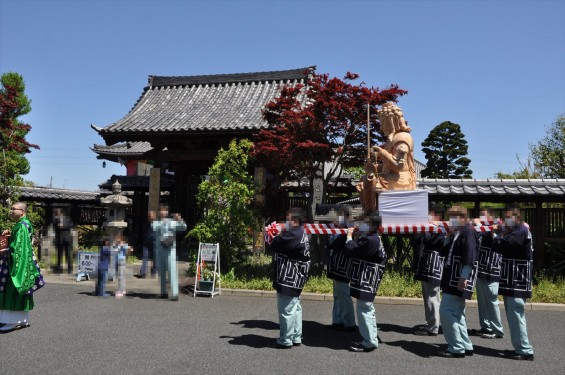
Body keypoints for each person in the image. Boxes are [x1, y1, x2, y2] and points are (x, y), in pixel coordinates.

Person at [492, 207, 535, 361]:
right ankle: (519, 347)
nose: (506, 221)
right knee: (512, 315)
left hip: (517, 280)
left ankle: (525, 350)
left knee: (516, 314)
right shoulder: (518, 230)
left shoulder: (521, 231)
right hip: (512, 280)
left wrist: (496, 235)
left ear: (517, 218)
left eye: (509, 218)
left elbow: (502, 245)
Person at [438, 206, 479, 358]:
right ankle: (465, 344)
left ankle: (456, 346)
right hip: (453, 278)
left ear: (461, 217)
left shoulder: (468, 232)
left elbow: (470, 256)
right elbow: (443, 252)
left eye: (452, 217)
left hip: (458, 279)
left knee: (446, 311)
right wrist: (448, 237)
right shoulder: (458, 233)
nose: (450, 221)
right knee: (458, 313)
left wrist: (464, 277)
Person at [344, 215, 387, 353]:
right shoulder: (374, 237)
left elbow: (352, 250)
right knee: (368, 309)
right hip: (369, 279)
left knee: (364, 310)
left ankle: (368, 342)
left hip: (367, 279)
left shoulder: (370, 239)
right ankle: (371, 338)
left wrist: (349, 237)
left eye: (365, 223)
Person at [269, 207, 310, 349]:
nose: (286, 221)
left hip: (289, 276)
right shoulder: (300, 231)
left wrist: (275, 234)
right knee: (295, 307)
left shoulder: (293, 234)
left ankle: (285, 339)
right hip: (296, 276)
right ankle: (295, 336)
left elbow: (275, 244)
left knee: (286, 308)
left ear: (296, 220)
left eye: (289, 219)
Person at [0, 202, 44, 332]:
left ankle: (11, 321)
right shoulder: (25, 224)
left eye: (14, 209)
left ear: (22, 212)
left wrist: (5, 251)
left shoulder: (21, 227)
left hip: (17, 264)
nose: (11, 211)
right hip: (24, 263)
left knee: (12, 288)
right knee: (21, 290)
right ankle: (23, 320)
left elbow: (17, 249)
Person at [469, 208, 504, 339]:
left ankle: (497, 329)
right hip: (481, 269)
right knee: (482, 300)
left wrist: (479, 224)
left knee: (491, 300)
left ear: (491, 216)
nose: (482, 218)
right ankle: (486, 326)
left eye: (484, 216)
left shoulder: (498, 226)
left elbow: (496, 234)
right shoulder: (481, 229)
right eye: (481, 216)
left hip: (492, 269)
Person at [412, 208, 446, 336]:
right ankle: (430, 324)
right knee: (428, 297)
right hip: (428, 265)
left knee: (432, 297)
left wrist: (425, 227)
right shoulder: (433, 227)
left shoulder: (440, 229)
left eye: (430, 214)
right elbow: (416, 239)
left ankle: (432, 327)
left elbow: (426, 239)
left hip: (433, 266)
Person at [372, 102, 416, 191]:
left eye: (383, 123)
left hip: (400, 179)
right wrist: (377, 167)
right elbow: (389, 164)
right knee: (366, 179)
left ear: (391, 122)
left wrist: (382, 152)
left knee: (369, 182)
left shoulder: (402, 137)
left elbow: (398, 166)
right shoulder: (391, 139)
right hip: (391, 176)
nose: (381, 127)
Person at [325, 206, 356, 331]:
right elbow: (330, 244)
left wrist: (337, 231)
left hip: (345, 264)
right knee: (337, 294)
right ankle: (337, 320)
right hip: (336, 264)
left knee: (344, 294)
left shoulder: (350, 228)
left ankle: (349, 323)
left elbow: (334, 245)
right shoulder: (339, 228)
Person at [152, 204, 187, 301]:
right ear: (159, 212)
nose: (163, 212)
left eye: (165, 210)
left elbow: (183, 227)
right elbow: (154, 228)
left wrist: (179, 219)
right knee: (161, 271)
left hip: (170, 250)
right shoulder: (156, 222)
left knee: (172, 271)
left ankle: (175, 293)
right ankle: (163, 292)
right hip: (160, 249)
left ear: (167, 212)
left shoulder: (172, 222)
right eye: (161, 210)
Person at [53, 208, 73, 274]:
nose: (57, 215)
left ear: (61, 213)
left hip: (67, 239)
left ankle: (69, 269)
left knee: (68, 254)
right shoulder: (56, 220)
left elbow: (70, 226)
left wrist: (63, 226)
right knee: (59, 255)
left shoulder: (67, 219)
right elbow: (54, 227)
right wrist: (57, 221)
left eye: (58, 213)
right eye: (56, 213)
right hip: (59, 239)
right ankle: (59, 268)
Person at [138, 210, 157, 278]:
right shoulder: (145, 224)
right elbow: (142, 233)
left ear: (154, 217)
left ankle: (154, 271)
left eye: (151, 216)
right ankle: (143, 272)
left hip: (155, 243)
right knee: (145, 257)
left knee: (155, 258)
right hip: (146, 243)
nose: (150, 218)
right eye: (149, 216)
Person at [113, 234, 132, 298]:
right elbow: (114, 251)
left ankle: (120, 291)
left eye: (117, 238)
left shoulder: (123, 245)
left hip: (121, 261)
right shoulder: (116, 245)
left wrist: (124, 248)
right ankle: (123, 289)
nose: (116, 239)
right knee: (121, 276)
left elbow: (130, 249)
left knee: (121, 276)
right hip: (118, 261)